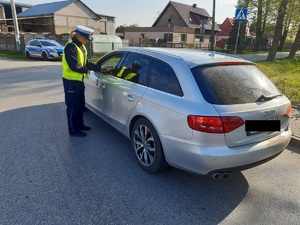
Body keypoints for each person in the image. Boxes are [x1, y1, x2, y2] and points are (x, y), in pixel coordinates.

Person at [62, 25, 101, 137]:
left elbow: (86, 63)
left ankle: (80, 125)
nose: (87, 41)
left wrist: (99, 68)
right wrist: (86, 70)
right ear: (79, 36)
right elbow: (74, 65)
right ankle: (73, 129)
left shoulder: (81, 48)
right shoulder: (71, 47)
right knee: (73, 106)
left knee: (79, 105)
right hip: (70, 82)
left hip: (79, 80)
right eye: (86, 39)